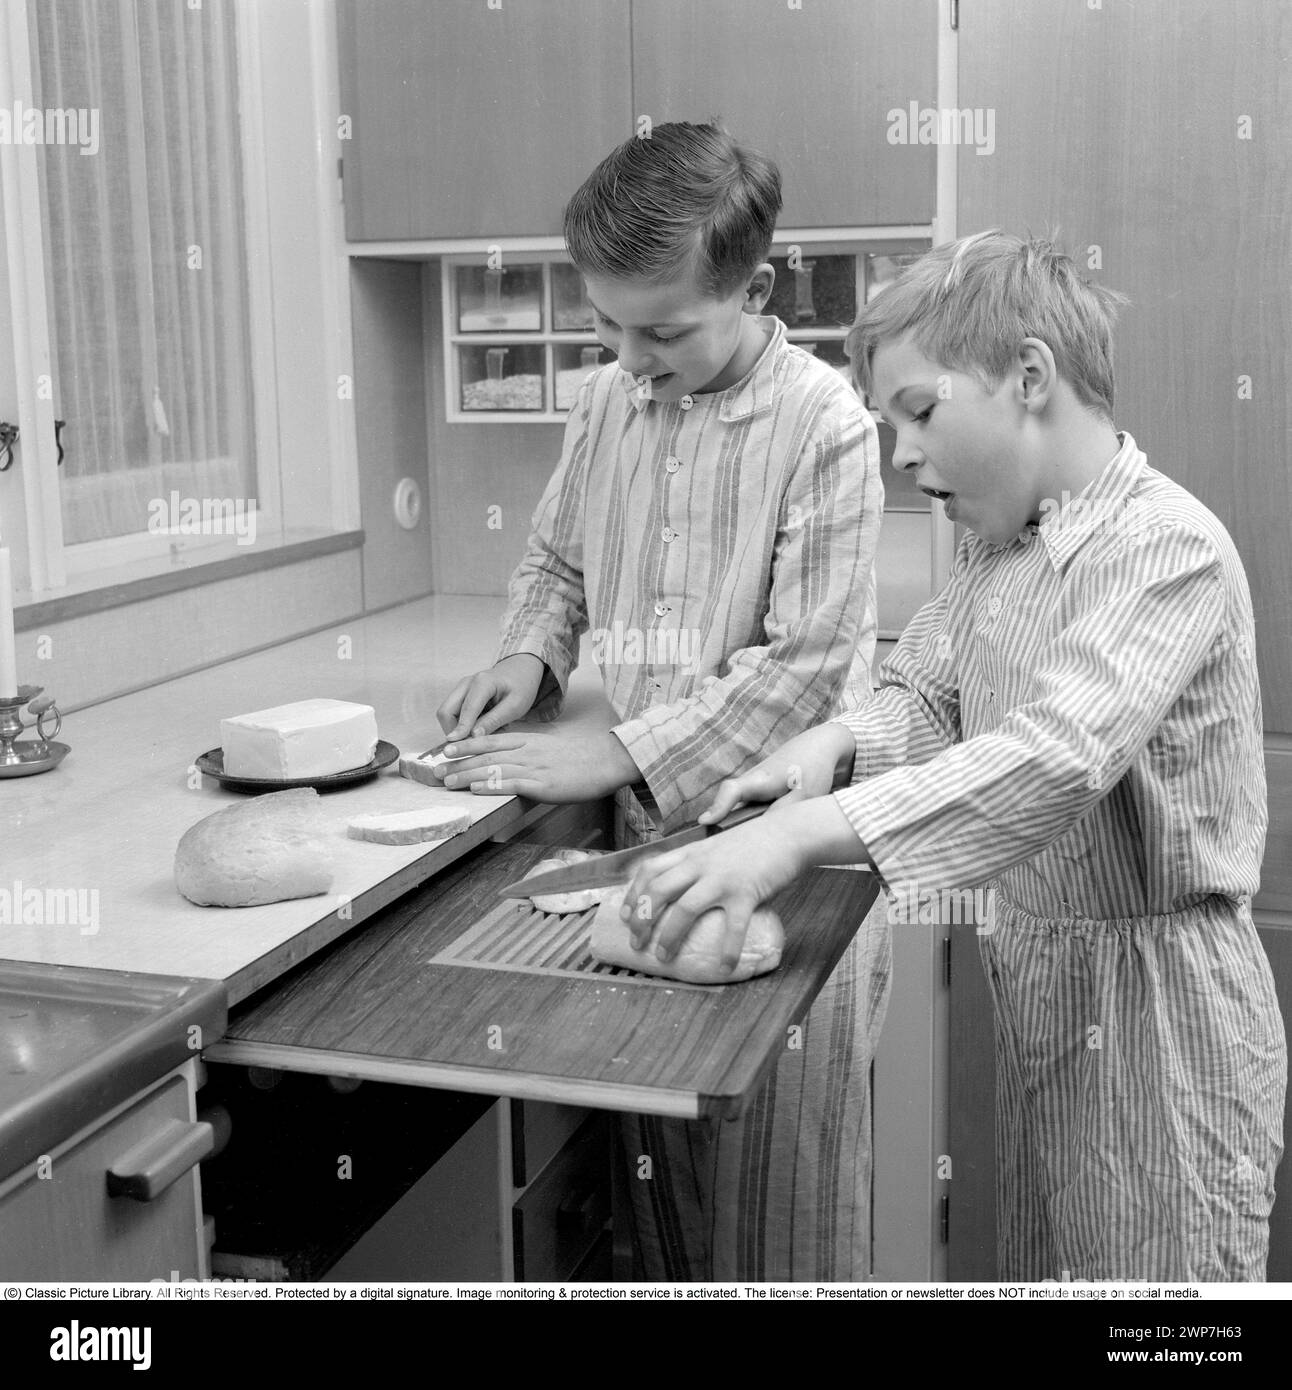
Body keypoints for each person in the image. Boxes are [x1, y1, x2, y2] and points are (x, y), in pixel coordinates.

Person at [623, 230, 1287, 1282]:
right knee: (1057, 1266)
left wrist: (801, 836)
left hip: (1158, 1021)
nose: (900, 453)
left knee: (1167, 1317)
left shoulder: (1163, 548)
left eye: (919, 412)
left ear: (1027, 375)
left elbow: (1052, 758)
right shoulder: (996, 551)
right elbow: (925, 699)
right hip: (1044, 986)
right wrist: (828, 751)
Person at [431, 122, 889, 1279]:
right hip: (651, 841)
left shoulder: (825, 427)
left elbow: (805, 664)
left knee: (781, 1200)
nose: (629, 357)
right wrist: (529, 657)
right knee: (668, 1187)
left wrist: (616, 752)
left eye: (663, 330)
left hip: (794, 852)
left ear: (755, 288)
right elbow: (557, 563)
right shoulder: (605, 403)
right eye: (605, 324)